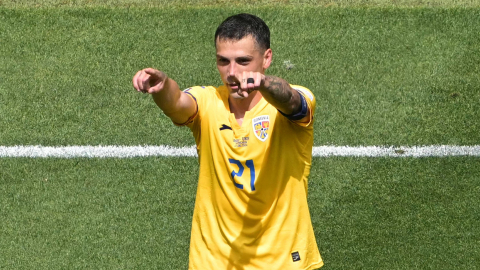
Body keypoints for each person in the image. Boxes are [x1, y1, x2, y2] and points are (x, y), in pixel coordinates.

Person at [133, 13, 323, 270]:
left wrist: (264, 83)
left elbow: (291, 101)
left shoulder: (292, 102)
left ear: (267, 58)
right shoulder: (208, 101)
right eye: (223, 61)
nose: (232, 72)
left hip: (282, 260)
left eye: (243, 61)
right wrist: (162, 85)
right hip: (213, 260)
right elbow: (177, 103)